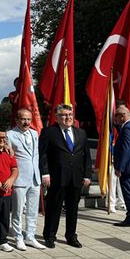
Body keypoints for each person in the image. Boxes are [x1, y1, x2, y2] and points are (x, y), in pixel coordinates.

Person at [39, 103, 91, 249]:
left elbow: (86, 155)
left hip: (75, 178)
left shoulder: (81, 133)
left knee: (73, 209)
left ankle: (71, 236)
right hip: (57, 178)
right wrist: (45, 173)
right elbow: (43, 155)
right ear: (57, 117)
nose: (67, 117)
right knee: (54, 208)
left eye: (69, 115)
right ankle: (49, 236)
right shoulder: (49, 132)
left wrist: (87, 175)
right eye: (63, 115)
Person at [7, 109, 46, 250]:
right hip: (19, 179)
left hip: (35, 178)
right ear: (17, 120)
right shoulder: (10, 135)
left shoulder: (35, 133)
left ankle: (30, 236)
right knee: (17, 211)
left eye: (29, 119)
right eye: (23, 119)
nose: (26, 122)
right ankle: (18, 238)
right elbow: (8, 158)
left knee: (32, 210)